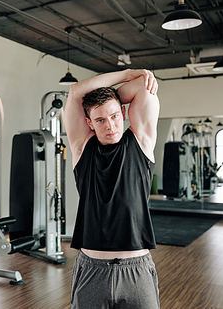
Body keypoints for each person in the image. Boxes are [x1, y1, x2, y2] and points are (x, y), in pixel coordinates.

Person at [63, 69, 160, 309]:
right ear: (89, 123)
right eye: (100, 120)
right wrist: (126, 73)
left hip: (136, 270)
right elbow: (75, 91)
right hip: (92, 269)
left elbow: (141, 86)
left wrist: (110, 98)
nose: (110, 125)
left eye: (115, 116)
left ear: (124, 112)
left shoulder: (141, 141)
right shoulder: (81, 146)